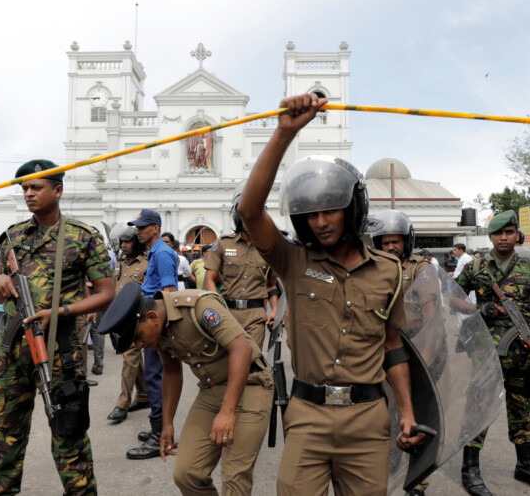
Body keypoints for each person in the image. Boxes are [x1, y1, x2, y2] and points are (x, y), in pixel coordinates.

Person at [237, 93, 424, 495]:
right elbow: (251, 211)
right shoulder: (293, 262)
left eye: (330, 210)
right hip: (307, 416)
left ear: (352, 207)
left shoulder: (389, 270)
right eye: (311, 214)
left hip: (368, 419)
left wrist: (406, 413)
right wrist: (285, 133)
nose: (320, 222)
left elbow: (392, 346)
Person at [0, 160, 115, 495]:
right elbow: (0, 281)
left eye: (36, 187)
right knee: (5, 438)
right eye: (24, 188)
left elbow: (106, 294)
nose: (28, 193)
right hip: (13, 352)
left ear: (58, 190)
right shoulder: (12, 237)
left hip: (61, 352)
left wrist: (61, 311)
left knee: (68, 436)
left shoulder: (83, 237)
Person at [100, 282, 274, 495]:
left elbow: (242, 349)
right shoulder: (159, 331)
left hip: (250, 384)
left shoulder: (198, 307)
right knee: (187, 474)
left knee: (234, 478)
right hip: (211, 390)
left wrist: (227, 412)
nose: (138, 345)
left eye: (137, 337)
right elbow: (172, 372)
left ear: (152, 318)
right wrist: (167, 424)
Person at [455, 211, 530, 495]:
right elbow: (452, 296)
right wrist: (478, 309)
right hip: (484, 351)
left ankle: (526, 466)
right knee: (478, 408)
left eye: (509, 232)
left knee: (521, 409)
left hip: (523, 352)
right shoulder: (476, 267)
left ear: (516, 235)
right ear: (490, 236)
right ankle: (470, 470)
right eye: (498, 233)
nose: (503, 237)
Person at [367, 209, 438, 496]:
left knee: (415, 418)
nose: (391, 247)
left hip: (418, 352)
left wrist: (428, 360)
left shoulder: (420, 269)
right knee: (384, 415)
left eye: (396, 242)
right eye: (385, 242)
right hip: (383, 353)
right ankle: (387, 472)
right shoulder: (373, 268)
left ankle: (418, 481)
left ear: (406, 242)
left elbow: (432, 317)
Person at [125, 209, 178, 460]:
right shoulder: (155, 252)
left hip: (156, 324)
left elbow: (168, 293)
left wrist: (160, 333)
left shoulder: (164, 253)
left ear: (155, 228)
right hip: (149, 320)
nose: (138, 231)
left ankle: (159, 434)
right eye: (137, 227)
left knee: (156, 378)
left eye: (142, 226)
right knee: (153, 376)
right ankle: (157, 427)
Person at [203, 188, 280, 350]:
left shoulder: (269, 247)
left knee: (252, 361)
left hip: (256, 316)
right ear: (238, 216)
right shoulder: (223, 243)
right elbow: (210, 279)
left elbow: (271, 285)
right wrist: (218, 308)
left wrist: (275, 312)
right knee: (228, 360)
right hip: (228, 313)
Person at [105, 225, 150, 424]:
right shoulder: (119, 263)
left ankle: (122, 403)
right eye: (122, 242)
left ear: (137, 242)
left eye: (128, 241)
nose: (123, 245)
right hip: (121, 319)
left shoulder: (147, 263)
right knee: (133, 357)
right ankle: (144, 396)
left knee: (129, 357)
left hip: (138, 319)